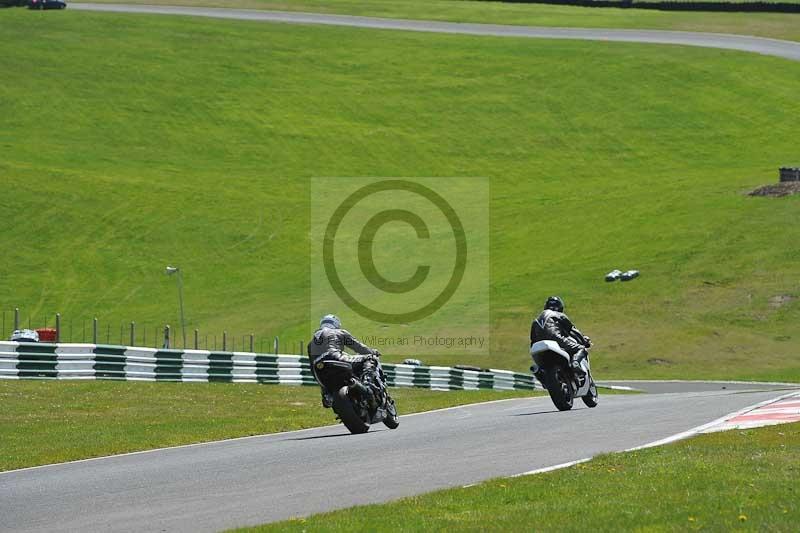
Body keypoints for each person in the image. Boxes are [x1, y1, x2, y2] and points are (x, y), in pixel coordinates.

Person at [308, 314, 382, 409]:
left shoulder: (311, 343)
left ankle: (327, 395)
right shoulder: (339, 332)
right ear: (336, 324)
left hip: (320, 369)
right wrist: (372, 352)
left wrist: (323, 389)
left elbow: (312, 366)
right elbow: (358, 347)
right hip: (336, 358)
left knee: (325, 386)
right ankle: (368, 385)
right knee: (369, 358)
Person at [530, 296, 592, 385]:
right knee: (581, 349)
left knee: (539, 366)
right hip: (556, 340)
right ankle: (575, 363)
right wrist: (584, 341)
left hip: (538, 346)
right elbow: (573, 331)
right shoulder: (559, 315)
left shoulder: (536, 320)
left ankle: (539, 373)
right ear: (560, 307)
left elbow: (533, 339)